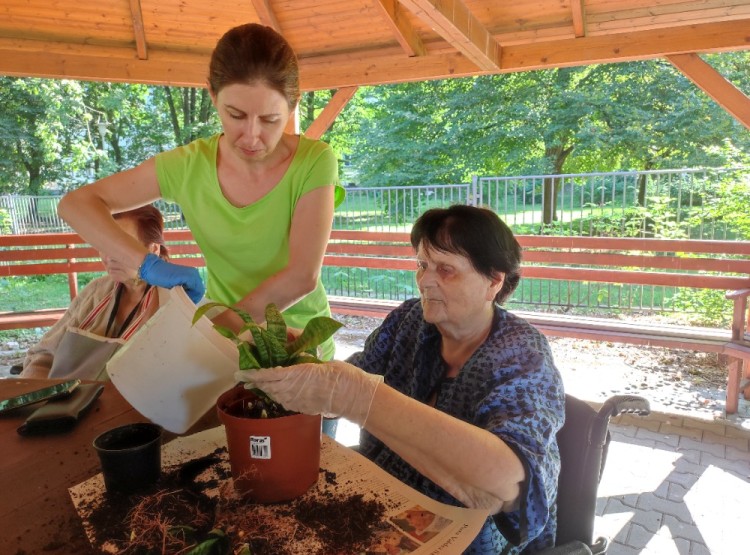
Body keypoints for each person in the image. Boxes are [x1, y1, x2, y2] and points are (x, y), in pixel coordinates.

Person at [56, 24, 344, 432]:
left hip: (299, 348)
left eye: (270, 119)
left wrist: (218, 322)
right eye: (236, 115)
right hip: (223, 354)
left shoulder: (315, 161)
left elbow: (301, 275)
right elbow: (77, 204)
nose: (251, 136)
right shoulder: (187, 165)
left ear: (293, 104)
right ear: (212, 95)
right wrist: (147, 267)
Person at [239, 205, 566, 554]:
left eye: (446, 270)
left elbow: (508, 482)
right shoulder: (409, 320)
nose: (425, 281)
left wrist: (354, 396)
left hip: (469, 537)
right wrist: (304, 365)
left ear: (494, 281)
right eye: (422, 265)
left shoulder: (522, 354)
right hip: (380, 499)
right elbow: (353, 380)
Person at [21, 206, 172, 379]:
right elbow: (44, 355)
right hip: (68, 400)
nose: (109, 256)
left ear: (153, 249)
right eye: (103, 244)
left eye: (122, 244)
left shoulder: (171, 302)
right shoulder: (96, 291)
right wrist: (34, 396)